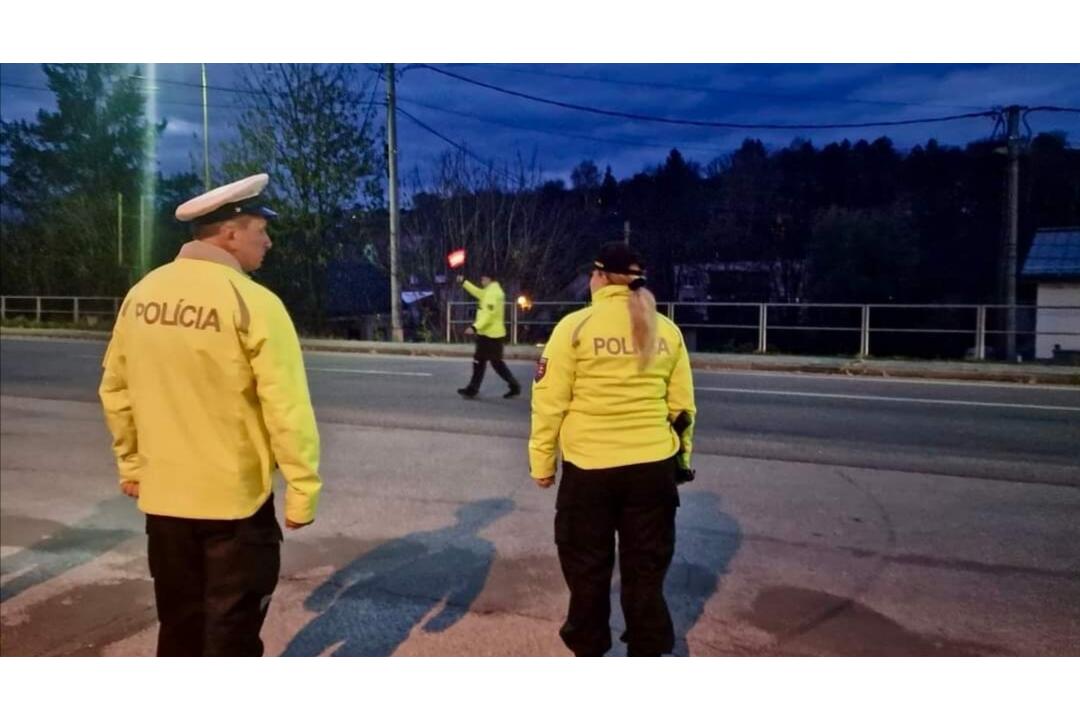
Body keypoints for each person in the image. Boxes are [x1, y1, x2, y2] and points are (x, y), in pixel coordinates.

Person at [99, 173, 322, 656]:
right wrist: (303, 487)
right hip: (234, 508)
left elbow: (116, 389)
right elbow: (286, 406)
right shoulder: (256, 303)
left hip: (164, 504)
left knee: (178, 627)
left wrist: (132, 465)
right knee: (231, 638)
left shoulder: (142, 294)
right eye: (262, 229)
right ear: (230, 233)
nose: (269, 240)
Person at [528, 242, 696, 657]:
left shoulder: (575, 327)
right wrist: (682, 462)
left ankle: (589, 650)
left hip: (591, 470)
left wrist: (542, 464)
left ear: (600, 277)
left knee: (587, 570)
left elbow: (549, 404)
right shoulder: (667, 331)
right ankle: (648, 650)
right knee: (646, 571)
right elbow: (683, 408)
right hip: (652, 470)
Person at [456, 269, 521, 399]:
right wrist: (464, 282)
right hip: (487, 334)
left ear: (488, 279)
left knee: (495, 363)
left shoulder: (493, 293)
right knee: (479, 361)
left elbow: (488, 315)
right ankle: (472, 389)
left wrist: (474, 327)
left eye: (482, 279)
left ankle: (514, 386)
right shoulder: (490, 291)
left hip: (492, 336)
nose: (481, 281)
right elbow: (478, 293)